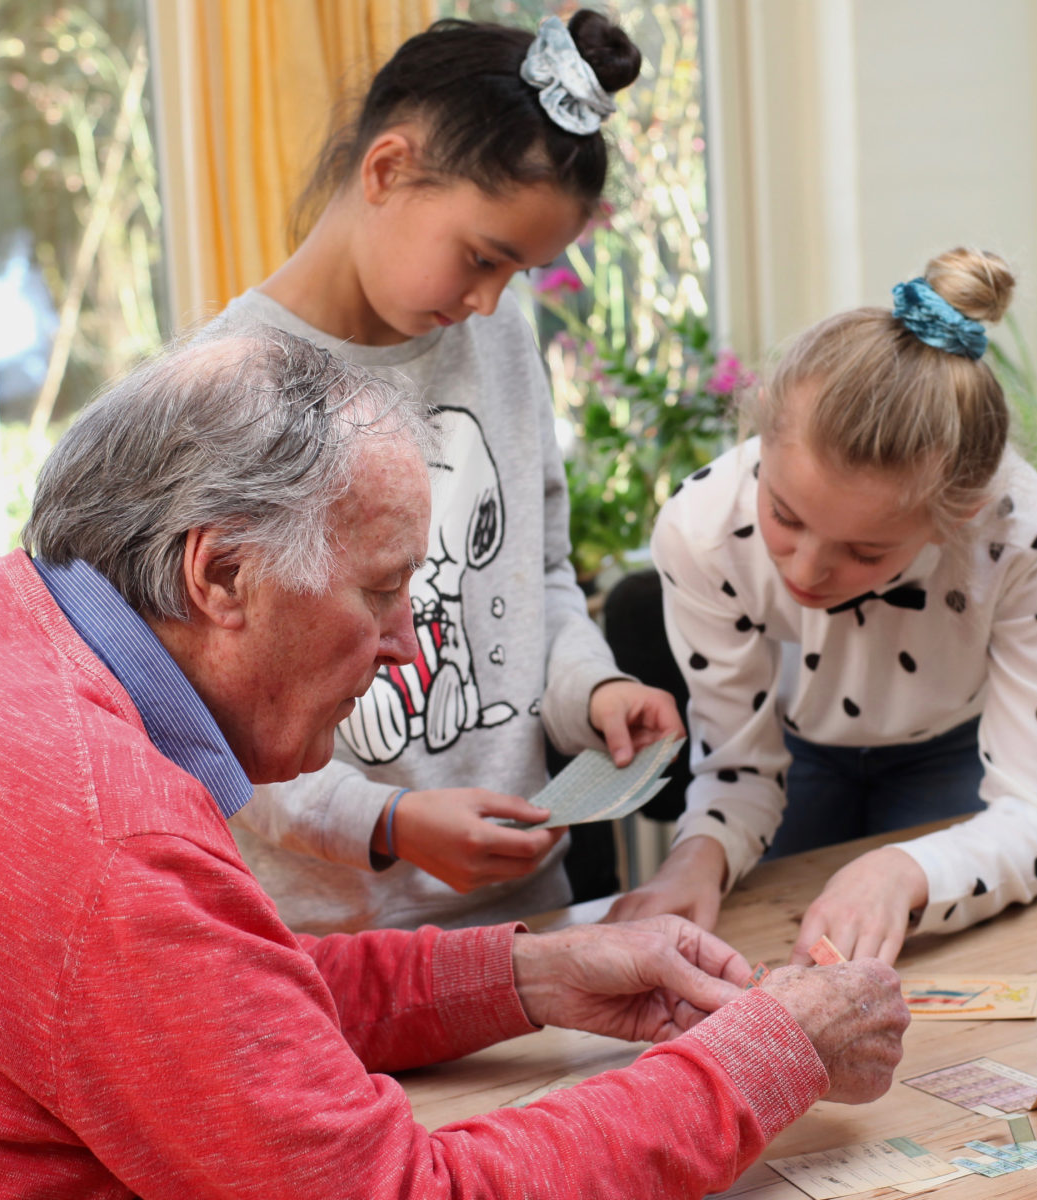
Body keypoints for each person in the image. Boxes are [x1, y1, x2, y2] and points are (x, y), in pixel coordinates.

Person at [0, 331, 910, 1198]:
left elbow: (217, 1002)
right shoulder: (110, 841)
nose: (406, 641)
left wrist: (533, 974)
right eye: (381, 589)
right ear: (220, 576)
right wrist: (768, 1053)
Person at [208, 12, 680, 934]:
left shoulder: (493, 334)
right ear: (386, 169)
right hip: (332, 955)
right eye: (481, 258)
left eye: (520, 274)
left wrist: (594, 693)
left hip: (525, 927)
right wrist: (387, 824)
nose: (489, 301)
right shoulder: (231, 387)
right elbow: (207, 725)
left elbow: (536, 577)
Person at [608, 249, 1037, 965]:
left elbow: (1035, 822)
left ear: (963, 516)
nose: (806, 570)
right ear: (761, 439)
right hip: (796, 754)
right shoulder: (701, 528)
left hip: (951, 751)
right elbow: (737, 770)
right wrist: (694, 860)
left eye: (866, 552)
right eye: (785, 515)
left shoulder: (1024, 533)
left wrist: (904, 869)